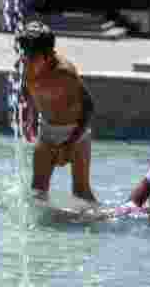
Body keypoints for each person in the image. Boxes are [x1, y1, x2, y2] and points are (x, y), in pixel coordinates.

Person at [18, 20, 97, 203]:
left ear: (48, 57)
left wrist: (70, 143)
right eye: (24, 55)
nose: (25, 61)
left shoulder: (65, 74)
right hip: (47, 132)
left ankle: (101, 223)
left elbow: (89, 106)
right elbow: (26, 89)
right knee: (38, 192)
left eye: (31, 58)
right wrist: (28, 117)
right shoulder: (26, 65)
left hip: (75, 134)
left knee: (81, 192)